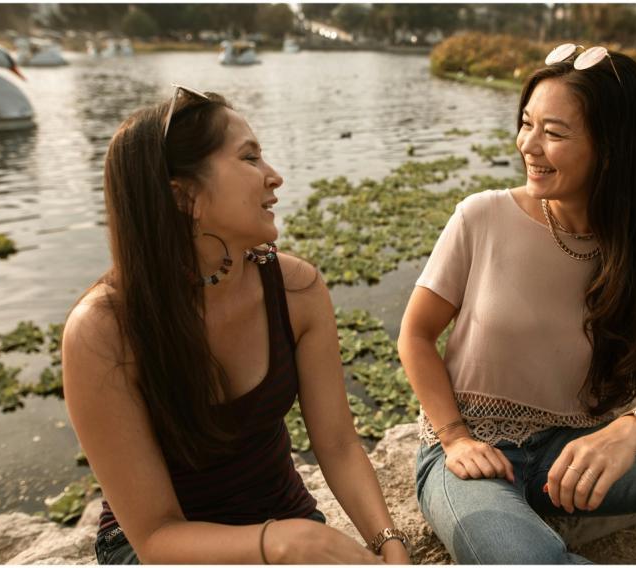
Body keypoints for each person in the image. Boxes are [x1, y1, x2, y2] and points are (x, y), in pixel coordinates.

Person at [398, 45, 636, 564]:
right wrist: (455, 438)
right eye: (527, 124)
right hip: (470, 456)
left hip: (577, 456)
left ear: (611, 148)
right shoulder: (481, 217)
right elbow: (414, 334)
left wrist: (629, 431)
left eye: (554, 132)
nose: (529, 145)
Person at [63, 85, 411, 564]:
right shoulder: (102, 332)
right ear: (183, 197)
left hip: (282, 518)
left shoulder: (296, 290)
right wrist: (291, 544)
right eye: (250, 159)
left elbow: (337, 443)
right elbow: (156, 536)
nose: (275, 178)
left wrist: (390, 544)